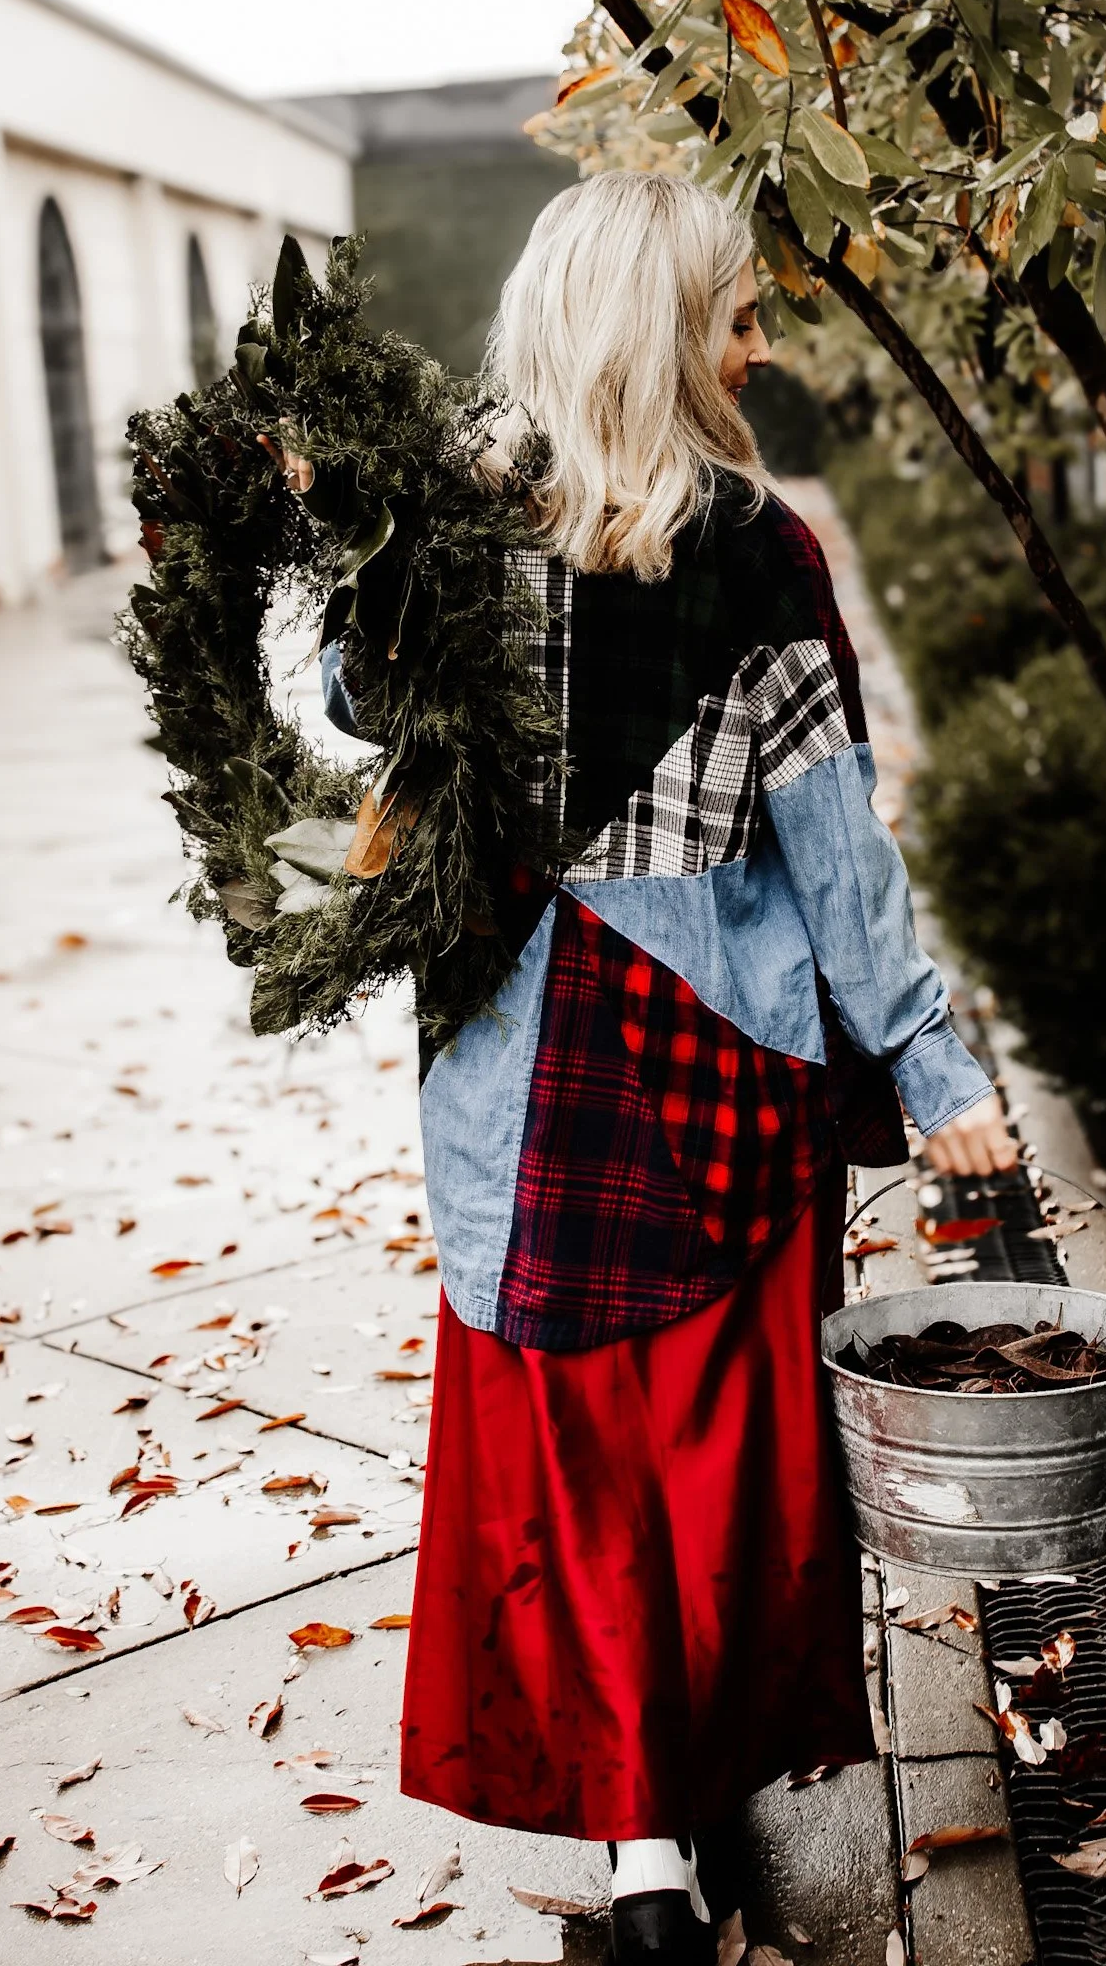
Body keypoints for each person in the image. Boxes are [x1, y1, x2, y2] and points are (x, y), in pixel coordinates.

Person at [306, 170, 1016, 1962]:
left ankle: (641, 1864)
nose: (761, 348)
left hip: (511, 1083)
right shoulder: (760, 552)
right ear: (657, 330)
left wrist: (354, 529)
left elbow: (351, 709)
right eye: (737, 315)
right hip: (715, 1077)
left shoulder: (438, 535)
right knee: (714, 1465)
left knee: (578, 1477)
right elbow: (840, 858)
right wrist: (937, 1073)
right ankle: (682, 1809)